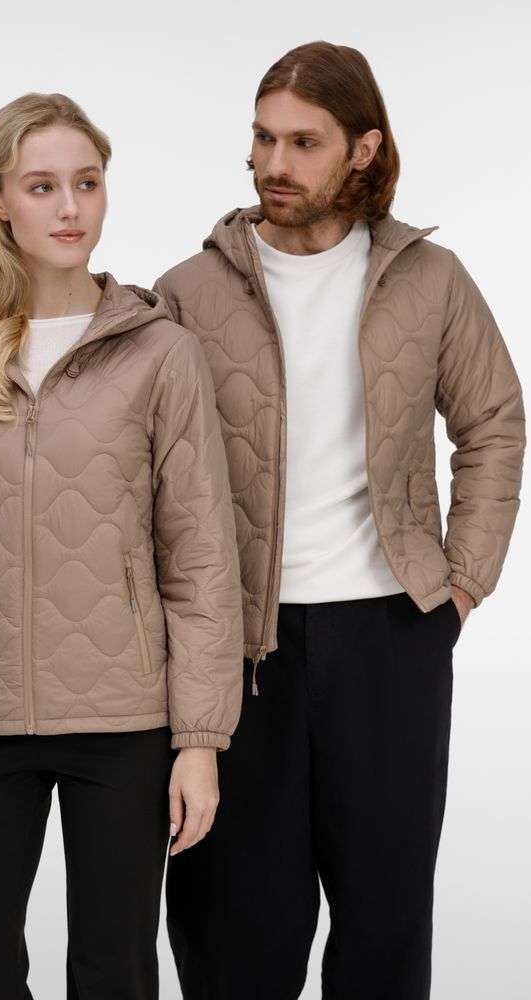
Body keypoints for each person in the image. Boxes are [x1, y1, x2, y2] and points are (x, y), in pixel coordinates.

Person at [153, 41, 526, 1000]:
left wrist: (461, 586)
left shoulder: (431, 280)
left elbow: (492, 422)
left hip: (391, 634)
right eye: (262, 138)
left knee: (384, 921)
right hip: (236, 648)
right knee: (232, 927)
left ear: (363, 149)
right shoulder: (187, 293)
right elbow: (143, 476)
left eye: (303, 142)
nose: (272, 163)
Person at [0, 92, 244, 1000]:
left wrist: (200, 741)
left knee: (114, 968)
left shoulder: (159, 354)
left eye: (87, 182)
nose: (70, 208)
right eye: (42, 187)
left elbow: (199, 559)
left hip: (123, 719)